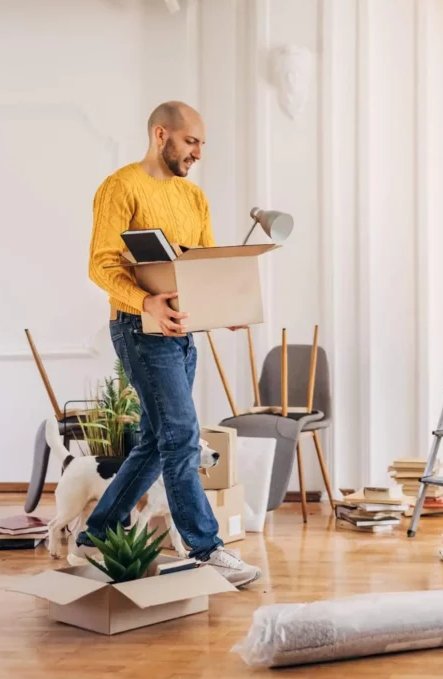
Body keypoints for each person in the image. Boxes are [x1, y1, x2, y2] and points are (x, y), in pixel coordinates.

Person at [74, 101, 262, 588]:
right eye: (190, 141)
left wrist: (226, 307)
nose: (198, 153)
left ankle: (98, 531)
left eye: (202, 144)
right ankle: (205, 548)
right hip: (138, 330)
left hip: (182, 335)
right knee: (181, 435)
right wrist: (146, 303)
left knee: (158, 442)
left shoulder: (194, 199)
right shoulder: (121, 187)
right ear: (161, 135)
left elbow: (202, 267)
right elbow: (101, 265)